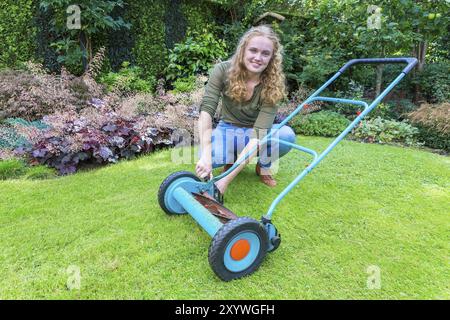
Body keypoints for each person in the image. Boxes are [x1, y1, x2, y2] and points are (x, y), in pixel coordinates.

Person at [196, 25, 296, 200]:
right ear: (243, 50)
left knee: (286, 135)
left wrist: (223, 183)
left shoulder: (273, 84)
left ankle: (263, 166)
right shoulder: (222, 70)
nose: (258, 57)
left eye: (265, 53)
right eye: (253, 50)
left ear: (272, 58)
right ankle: (230, 161)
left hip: (255, 133)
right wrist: (205, 154)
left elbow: (258, 135)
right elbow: (206, 111)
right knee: (208, 157)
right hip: (227, 129)